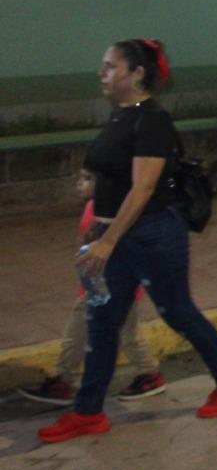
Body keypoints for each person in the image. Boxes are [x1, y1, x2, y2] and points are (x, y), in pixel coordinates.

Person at [39, 40, 217, 443]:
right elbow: (112, 179)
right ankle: (88, 412)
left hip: (151, 234)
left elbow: (143, 188)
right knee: (101, 321)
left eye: (110, 66)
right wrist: (97, 226)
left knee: (178, 312)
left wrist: (108, 240)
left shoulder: (151, 121)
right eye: (102, 67)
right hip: (115, 233)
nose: (102, 73)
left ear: (136, 74)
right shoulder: (121, 116)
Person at [21, 168, 165, 406]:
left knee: (106, 334)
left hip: (110, 286)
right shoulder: (93, 207)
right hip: (95, 284)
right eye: (80, 178)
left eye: (87, 179)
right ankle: (64, 378)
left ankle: (66, 378)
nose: (79, 184)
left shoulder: (113, 211)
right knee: (101, 333)